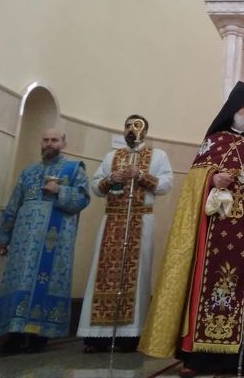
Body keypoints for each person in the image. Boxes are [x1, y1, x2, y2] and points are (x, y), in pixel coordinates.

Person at [139, 81, 244, 377]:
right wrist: (211, 179)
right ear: (232, 111)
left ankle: (242, 356)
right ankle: (199, 358)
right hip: (213, 235)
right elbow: (194, 182)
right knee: (205, 289)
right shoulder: (214, 141)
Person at [77, 114, 173, 353]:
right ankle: (97, 336)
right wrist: (111, 178)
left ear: (145, 131)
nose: (131, 130)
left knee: (137, 274)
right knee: (103, 273)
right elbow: (96, 186)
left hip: (141, 219)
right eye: (128, 126)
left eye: (136, 126)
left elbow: (165, 184)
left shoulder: (158, 155)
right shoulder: (112, 156)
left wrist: (140, 175)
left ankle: (130, 334)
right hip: (113, 220)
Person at [0, 128, 90, 355]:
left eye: (54, 140)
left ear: (63, 144)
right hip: (23, 242)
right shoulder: (28, 172)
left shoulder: (74, 169)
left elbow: (83, 199)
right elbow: (14, 204)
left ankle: (39, 336)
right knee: (19, 283)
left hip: (54, 241)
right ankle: (14, 337)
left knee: (48, 281)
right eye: (45, 140)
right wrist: (5, 237)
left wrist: (59, 190)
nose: (49, 143)